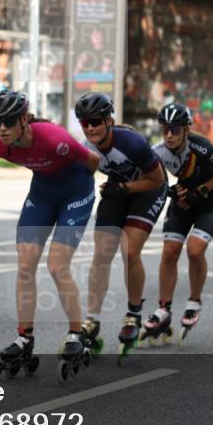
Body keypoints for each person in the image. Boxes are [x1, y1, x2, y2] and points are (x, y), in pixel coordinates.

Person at [0, 89, 101, 383]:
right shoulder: (2, 147)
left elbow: (92, 162)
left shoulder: (54, 138)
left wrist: (82, 188)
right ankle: (24, 337)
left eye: (8, 121)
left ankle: (76, 333)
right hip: (43, 195)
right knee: (25, 267)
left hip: (76, 192)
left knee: (56, 266)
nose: (2, 128)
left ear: (24, 119)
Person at [75, 92, 168, 359]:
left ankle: (134, 313)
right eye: (84, 123)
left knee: (129, 251)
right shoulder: (87, 149)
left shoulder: (131, 142)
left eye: (95, 121)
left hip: (149, 187)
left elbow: (157, 179)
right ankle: (91, 319)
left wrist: (125, 187)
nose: (90, 128)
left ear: (109, 121)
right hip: (118, 190)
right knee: (102, 253)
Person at [153, 102, 213, 343]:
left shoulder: (201, 147)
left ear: (186, 130)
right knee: (169, 251)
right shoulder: (158, 151)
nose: (169, 134)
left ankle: (194, 301)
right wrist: (168, 190)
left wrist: (201, 190)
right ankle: (164, 308)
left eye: (175, 130)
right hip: (185, 195)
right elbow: (152, 177)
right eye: (165, 129)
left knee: (195, 250)